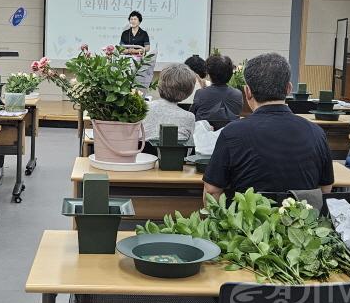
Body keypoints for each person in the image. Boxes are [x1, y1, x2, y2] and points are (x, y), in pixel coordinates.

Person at [202, 53, 334, 203]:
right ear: (288, 88)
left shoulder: (232, 133)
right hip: (301, 223)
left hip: (245, 224)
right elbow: (325, 189)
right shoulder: (316, 132)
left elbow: (212, 191)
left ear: (247, 92)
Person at [143, 64, 196, 141]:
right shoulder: (189, 117)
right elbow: (188, 149)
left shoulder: (144, 108)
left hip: (143, 152)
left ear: (160, 84)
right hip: (176, 153)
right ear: (189, 90)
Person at [190, 54, 242, 123]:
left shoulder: (200, 93)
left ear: (208, 73)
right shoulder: (238, 94)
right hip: (229, 132)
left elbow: (192, 115)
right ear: (231, 74)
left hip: (204, 132)